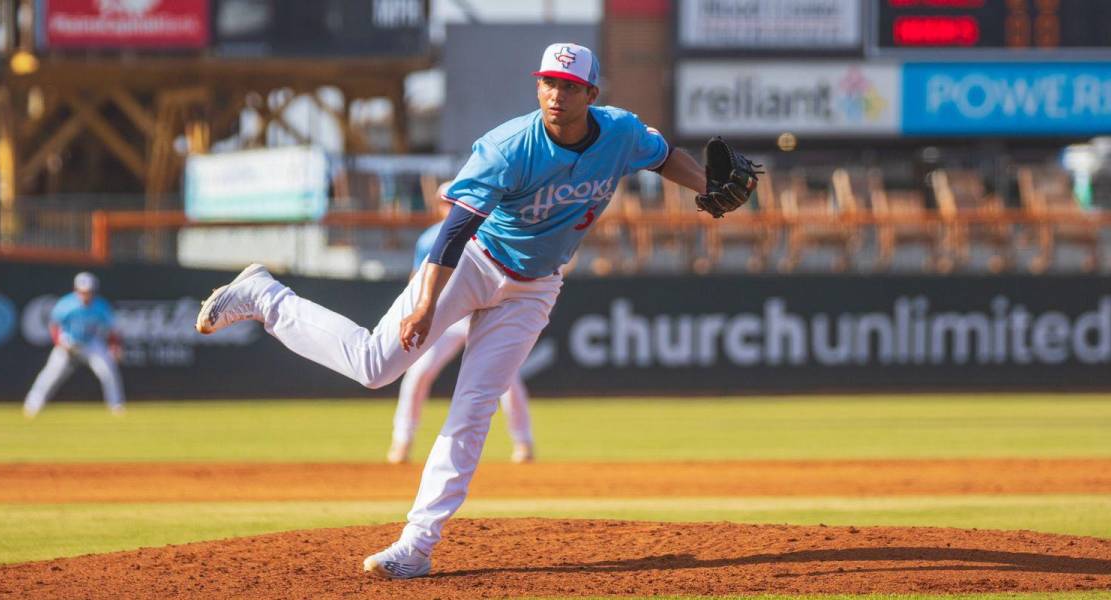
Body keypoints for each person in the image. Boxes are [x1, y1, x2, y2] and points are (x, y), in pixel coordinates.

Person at [195, 43, 720, 579]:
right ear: (537, 86)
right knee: (376, 366)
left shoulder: (620, 132)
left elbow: (662, 154)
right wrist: (425, 305)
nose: (556, 94)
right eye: (547, 83)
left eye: (568, 86)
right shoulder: (509, 147)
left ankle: (416, 547)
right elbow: (453, 231)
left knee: (473, 409)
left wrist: (707, 185)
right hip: (473, 262)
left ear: (591, 93)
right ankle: (266, 297)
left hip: (535, 286)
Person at [387, 182, 535, 465]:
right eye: (446, 203)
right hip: (446, 318)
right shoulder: (430, 239)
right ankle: (402, 441)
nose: (450, 208)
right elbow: (416, 280)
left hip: (484, 315)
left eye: (455, 203)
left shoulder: (486, 232)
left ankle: (523, 442)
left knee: (507, 381)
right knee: (419, 374)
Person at [24, 272, 124, 418]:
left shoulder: (101, 306)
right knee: (51, 374)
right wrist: (60, 343)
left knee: (107, 370)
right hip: (68, 342)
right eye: (82, 292)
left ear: (94, 291)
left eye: (88, 292)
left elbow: (112, 330)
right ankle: (32, 405)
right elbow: (54, 326)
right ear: (76, 290)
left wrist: (114, 346)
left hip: (90, 343)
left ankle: (116, 405)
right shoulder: (66, 304)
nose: (85, 295)